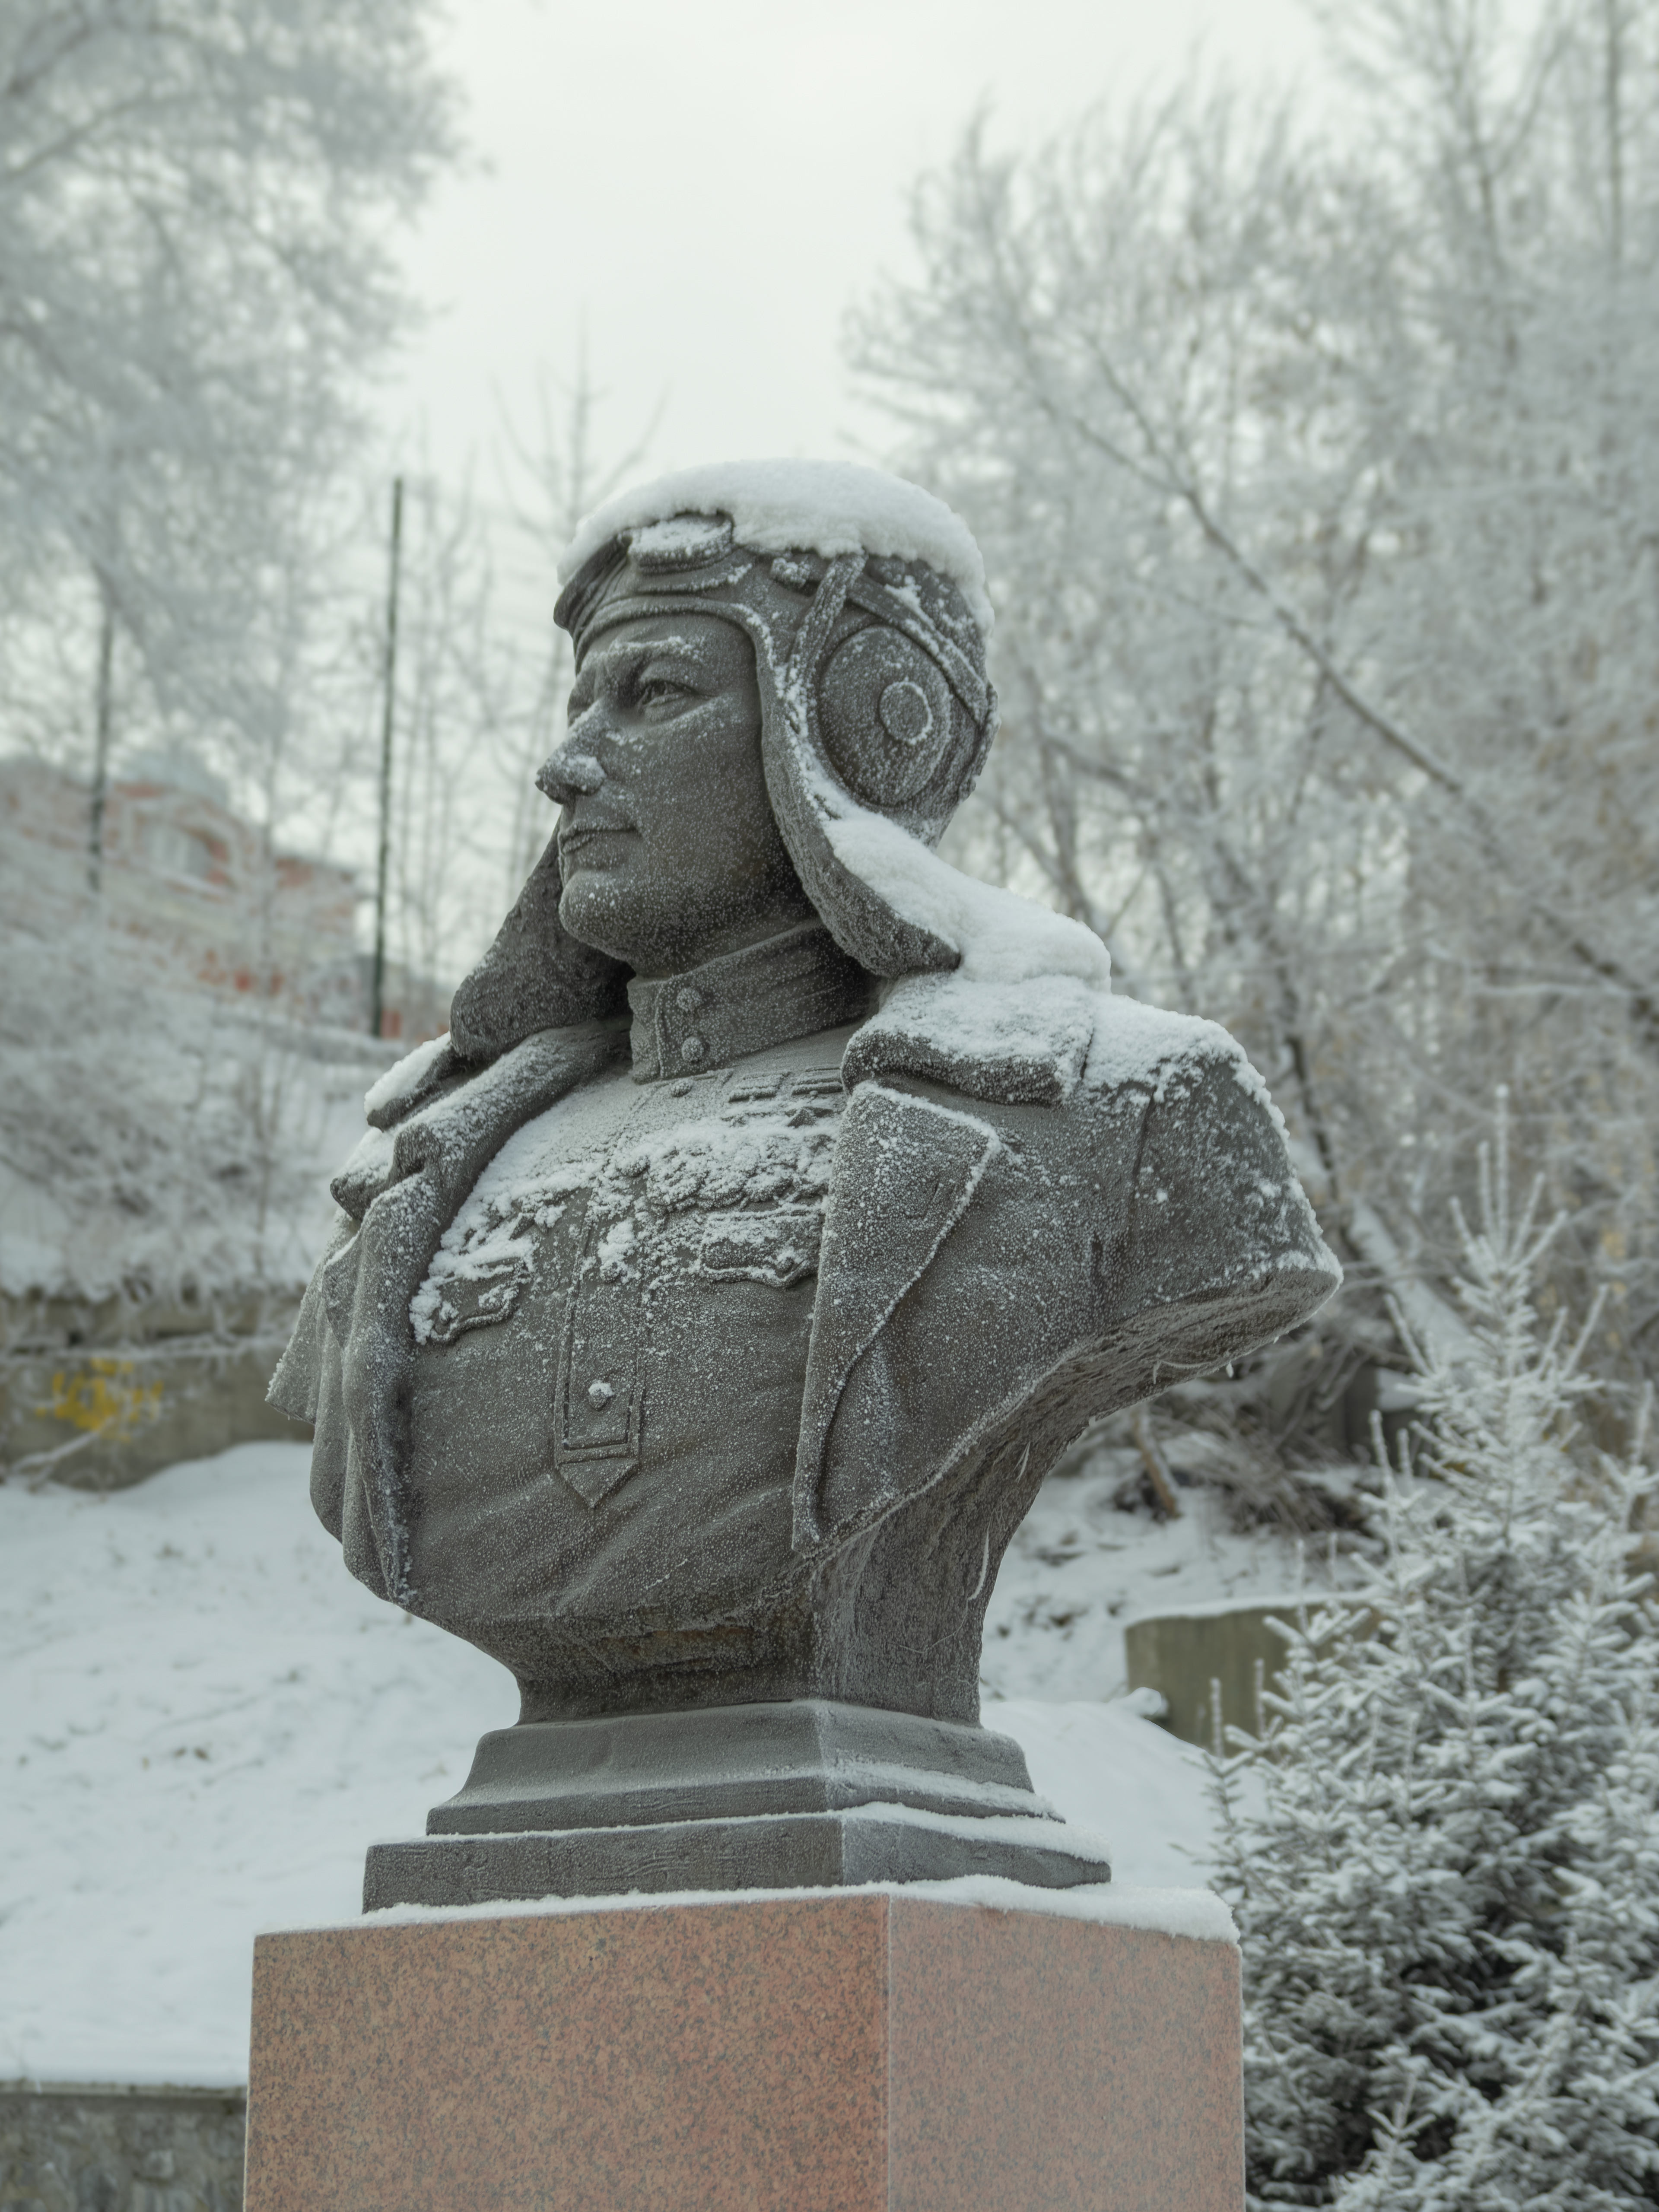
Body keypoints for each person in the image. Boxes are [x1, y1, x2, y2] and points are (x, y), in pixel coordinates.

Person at [271, 460, 1340, 1737]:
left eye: (653, 693)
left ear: (847, 727)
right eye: (578, 706)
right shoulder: (421, 1166)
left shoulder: (1125, 1106)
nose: (566, 765)